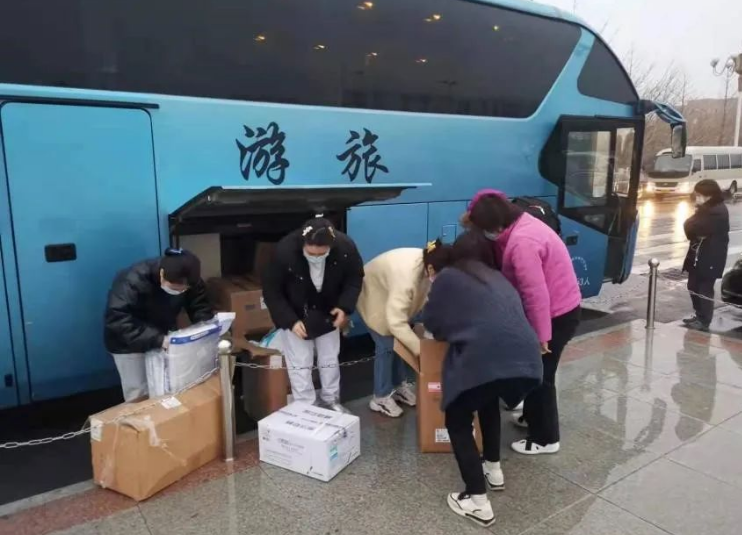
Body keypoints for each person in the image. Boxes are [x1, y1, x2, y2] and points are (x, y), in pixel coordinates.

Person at [422, 231, 542, 527]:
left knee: (457, 420)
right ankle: (493, 468)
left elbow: (432, 322)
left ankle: (477, 501)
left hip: (486, 359)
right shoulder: (498, 277)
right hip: (527, 361)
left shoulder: (449, 277)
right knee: (488, 401)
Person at [466, 189, 581, 456]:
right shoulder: (520, 221)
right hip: (557, 308)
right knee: (534, 371)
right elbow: (487, 195)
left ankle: (546, 438)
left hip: (556, 315)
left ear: (496, 226)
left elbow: (535, 293)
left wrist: (541, 336)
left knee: (540, 376)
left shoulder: (522, 242)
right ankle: (531, 416)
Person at [262, 217, 364, 413]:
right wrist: (290, 321)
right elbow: (272, 292)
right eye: (311, 253)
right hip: (296, 313)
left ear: (330, 247)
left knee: (329, 359)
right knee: (300, 362)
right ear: (303, 243)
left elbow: (354, 278)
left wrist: (344, 307)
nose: (316, 257)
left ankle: (331, 400)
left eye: (321, 254)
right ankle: (305, 406)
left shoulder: (345, 247)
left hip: (328, 310)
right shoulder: (284, 251)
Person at [356, 241, 452, 417]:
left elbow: (428, 296)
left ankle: (399, 386)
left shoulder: (429, 263)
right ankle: (380, 397)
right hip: (373, 294)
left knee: (400, 342)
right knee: (386, 344)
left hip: (390, 293)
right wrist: (421, 351)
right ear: (431, 268)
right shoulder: (406, 277)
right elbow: (396, 323)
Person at [104, 249, 214, 402]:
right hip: (127, 343)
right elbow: (118, 319)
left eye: (183, 290)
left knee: (166, 388)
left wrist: (205, 327)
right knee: (139, 393)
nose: (179, 292)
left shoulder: (190, 280)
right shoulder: (132, 281)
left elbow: (199, 305)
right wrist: (158, 339)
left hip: (162, 336)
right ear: (162, 274)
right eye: (174, 288)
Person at [682, 179, 730, 331]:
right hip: (698, 256)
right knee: (692, 286)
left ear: (709, 195)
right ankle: (699, 314)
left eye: (699, 195)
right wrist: (691, 225)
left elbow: (695, 228)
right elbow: (689, 226)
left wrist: (691, 224)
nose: (697, 198)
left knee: (704, 289)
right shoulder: (705, 209)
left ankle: (704, 320)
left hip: (710, 257)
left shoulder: (716, 211)